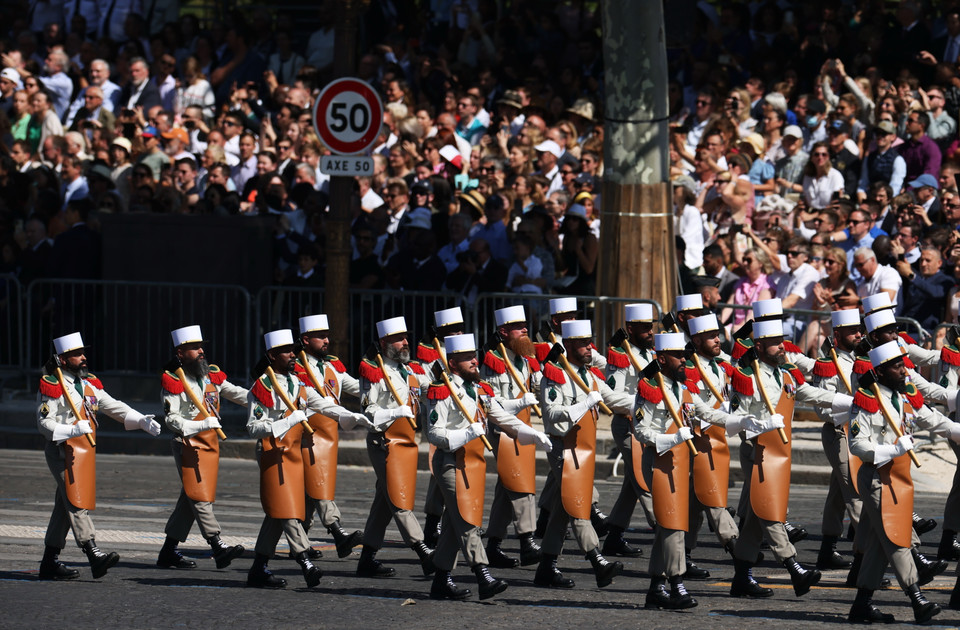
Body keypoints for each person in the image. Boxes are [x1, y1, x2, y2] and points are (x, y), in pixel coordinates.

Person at [727, 318, 853, 598]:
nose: (781, 346)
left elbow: (808, 392)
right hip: (757, 451)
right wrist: (757, 423)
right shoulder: (747, 376)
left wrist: (849, 401)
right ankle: (793, 566)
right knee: (769, 509)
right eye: (774, 343)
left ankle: (742, 578)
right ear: (759, 345)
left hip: (778, 452)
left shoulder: (784, 374)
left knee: (754, 518)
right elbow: (733, 420)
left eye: (782, 340)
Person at [426, 333, 548, 600]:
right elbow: (433, 433)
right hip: (450, 462)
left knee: (453, 522)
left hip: (474, 463)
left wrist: (530, 434)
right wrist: (466, 433)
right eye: (467, 358)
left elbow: (501, 416)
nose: (474, 360)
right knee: (467, 520)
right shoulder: (442, 390)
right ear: (452, 362)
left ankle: (441, 580)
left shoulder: (480, 389)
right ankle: (483, 575)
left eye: (474, 356)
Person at [245, 329, 371, 589]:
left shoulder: (297, 384)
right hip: (273, 453)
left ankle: (258, 568)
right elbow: (253, 427)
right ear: (271, 355)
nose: (293, 354)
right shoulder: (262, 387)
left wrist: (349, 416)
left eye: (293, 349)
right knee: (288, 509)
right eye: (287, 351)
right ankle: (305, 562)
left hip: (293, 454)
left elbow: (324, 404)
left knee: (278, 512)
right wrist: (282, 423)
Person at [846, 340, 960, 623]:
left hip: (899, 477)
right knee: (896, 538)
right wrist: (892, 450)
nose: (904, 371)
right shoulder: (867, 400)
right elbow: (857, 444)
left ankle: (862, 604)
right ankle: (917, 598)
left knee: (877, 542)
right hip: (877, 477)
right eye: (897, 367)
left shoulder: (903, 396)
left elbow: (933, 420)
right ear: (882, 372)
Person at [37, 332, 162, 580]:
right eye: (77, 354)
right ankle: (93, 553)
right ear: (62, 359)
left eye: (84, 353)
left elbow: (113, 405)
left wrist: (140, 420)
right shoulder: (52, 384)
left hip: (84, 450)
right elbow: (43, 422)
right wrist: (70, 429)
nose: (84, 358)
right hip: (63, 450)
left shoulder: (89, 384)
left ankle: (49, 562)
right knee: (76, 499)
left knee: (64, 506)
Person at [535, 319, 633, 589]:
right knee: (578, 504)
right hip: (563, 448)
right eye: (582, 343)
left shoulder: (589, 375)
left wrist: (644, 403)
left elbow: (612, 398)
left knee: (561, 509)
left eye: (590, 342)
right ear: (567, 345)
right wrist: (583, 404)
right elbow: (552, 415)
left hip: (584, 449)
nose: (589, 348)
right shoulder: (554, 374)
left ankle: (546, 567)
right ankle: (597, 560)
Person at [157, 325, 247, 570]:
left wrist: (264, 401)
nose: (200, 351)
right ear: (180, 352)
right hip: (187, 442)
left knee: (190, 496)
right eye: (194, 348)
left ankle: (168, 552)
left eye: (201, 347)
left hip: (210, 442)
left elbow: (237, 393)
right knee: (199, 495)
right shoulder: (174, 380)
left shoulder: (210, 374)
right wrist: (199, 424)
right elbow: (171, 419)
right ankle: (217, 545)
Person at [356, 316, 434, 578]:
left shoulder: (411, 370)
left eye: (406, 338)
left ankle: (366, 558)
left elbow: (429, 393)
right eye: (399, 339)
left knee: (385, 499)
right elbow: (368, 411)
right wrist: (395, 412)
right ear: (384, 343)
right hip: (385, 441)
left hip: (408, 441)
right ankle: (422, 550)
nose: (405, 343)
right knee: (398, 496)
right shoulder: (374, 371)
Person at [634, 332, 700, 610]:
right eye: (678, 356)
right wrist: (670, 439)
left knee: (667, 525)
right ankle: (676, 584)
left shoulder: (681, 386)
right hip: (659, 462)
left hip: (679, 462)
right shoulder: (649, 388)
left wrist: (740, 420)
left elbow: (703, 410)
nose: (684, 359)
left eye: (684, 355)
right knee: (673, 525)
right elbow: (639, 430)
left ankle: (655, 588)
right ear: (661, 359)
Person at [294, 314, 365, 559]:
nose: (327, 341)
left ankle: (299, 544)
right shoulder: (295, 368)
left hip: (329, 435)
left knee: (311, 491)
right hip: (307, 435)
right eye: (320, 337)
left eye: (327, 336)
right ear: (305, 340)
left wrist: (381, 396)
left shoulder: (331, 366)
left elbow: (356, 387)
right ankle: (338, 533)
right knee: (319, 482)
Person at [480, 306, 545, 568]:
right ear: (504, 331)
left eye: (525, 325)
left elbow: (539, 386)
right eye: (519, 326)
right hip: (504, 431)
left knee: (508, 485)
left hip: (524, 427)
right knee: (520, 483)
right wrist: (519, 404)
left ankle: (494, 544)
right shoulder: (493, 361)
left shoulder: (525, 358)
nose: (525, 330)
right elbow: (490, 405)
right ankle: (527, 540)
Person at [808, 310, 862, 572]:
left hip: (859, 434)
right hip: (839, 432)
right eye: (853, 331)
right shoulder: (828, 363)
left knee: (839, 494)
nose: (859, 334)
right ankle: (866, 560)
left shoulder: (862, 360)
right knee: (856, 494)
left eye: (859, 329)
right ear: (837, 335)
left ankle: (827, 550)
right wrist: (853, 410)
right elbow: (822, 407)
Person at [603, 303, 657, 558]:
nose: (650, 332)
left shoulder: (650, 353)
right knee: (644, 481)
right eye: (644, 328)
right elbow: (612, 398)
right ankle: (665, 528)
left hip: (649, 425)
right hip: (629, 425)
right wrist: (640, 403)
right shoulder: (620, 357)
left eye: (651, 327)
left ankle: (613, 535)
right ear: (631, 329)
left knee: (633, 482)